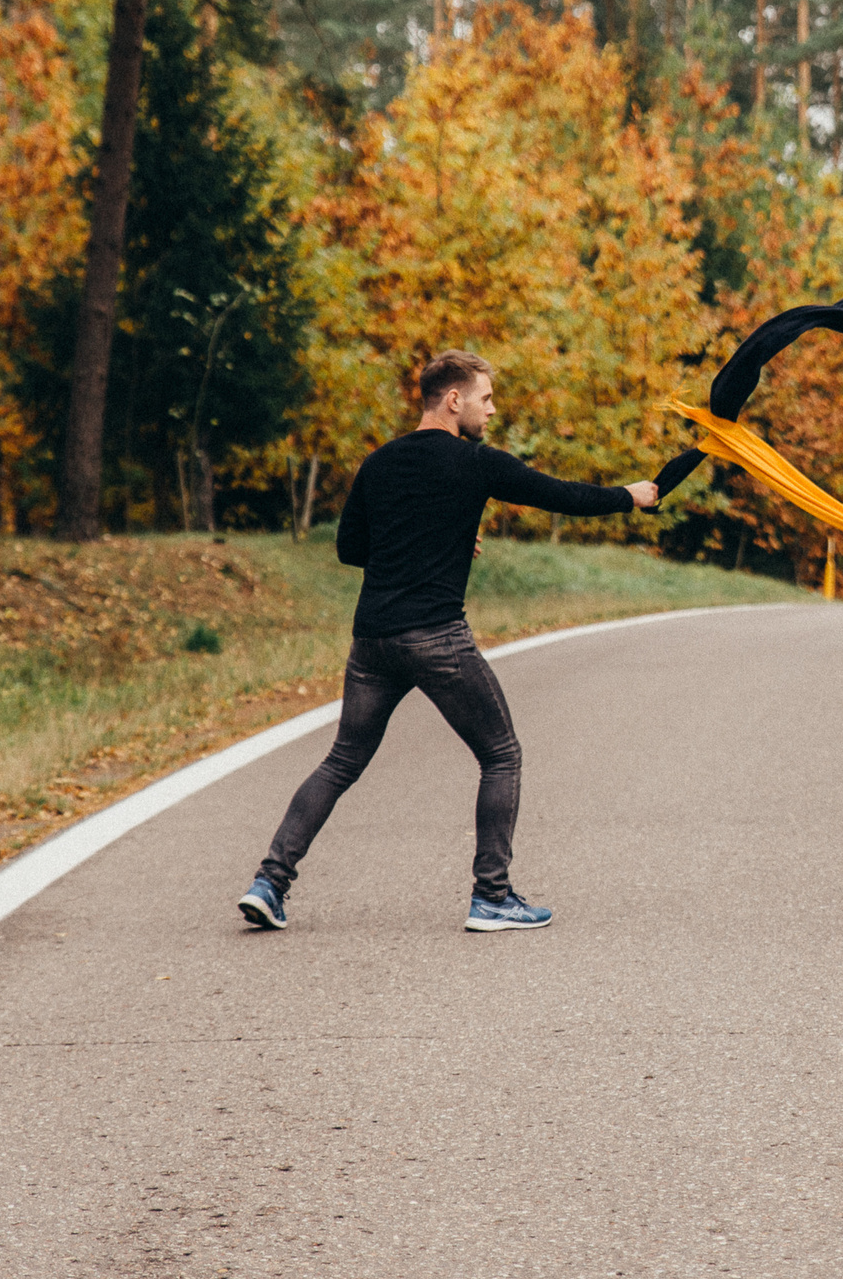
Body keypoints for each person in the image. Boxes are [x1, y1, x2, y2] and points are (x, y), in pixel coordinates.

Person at [237, 349, 659, 935]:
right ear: (453, 399)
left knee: (342, 760)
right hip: (436, 638)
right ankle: (492, 896)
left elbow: (350, 550)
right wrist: (628, 495)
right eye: (485, 398)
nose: (492, 410)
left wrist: (441, 538)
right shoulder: (475, 463)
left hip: (372, 640)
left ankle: (269, 883)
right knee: (501, 755)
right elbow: (559, 494)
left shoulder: (379, 463)